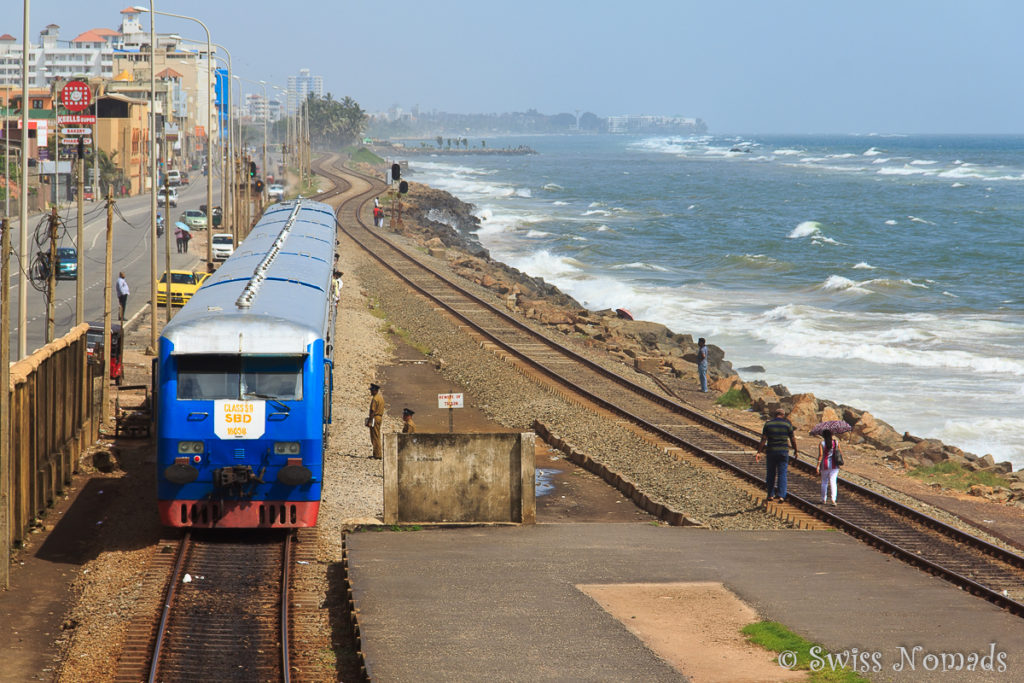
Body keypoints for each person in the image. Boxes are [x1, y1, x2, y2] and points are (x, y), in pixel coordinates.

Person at [755, 408, 798, 503]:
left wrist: (759, 452)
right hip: (783, 452)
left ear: (775, 415)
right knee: (782, 473)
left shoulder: (768, 424)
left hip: (771, 452)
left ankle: (770, 495)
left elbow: (763, 439)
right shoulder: (787, 424)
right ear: (783, 415)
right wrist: (795, 450)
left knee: (771, 474)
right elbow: (793, 439)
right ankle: (781, 495)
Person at [816, 429, 842, 506]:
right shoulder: (836, 442)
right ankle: (833, 500)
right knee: (833, 482)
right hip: (835, 465)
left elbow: (820, 455)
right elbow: (840, 452)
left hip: (825, 465)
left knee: (824, 482)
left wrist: (818, 466)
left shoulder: (822, 443)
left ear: (823, 436)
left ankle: (823, 499)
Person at [366, 383, 385, 459]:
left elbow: (372, 411)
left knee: (375, 436)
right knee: (377, 435)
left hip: (375, 418)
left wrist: (369, 421)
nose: (371, 392)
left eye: (372, 390)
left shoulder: (375, 399)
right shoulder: (380, 398)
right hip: (379, 418)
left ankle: (377, 455)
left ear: (375, 390)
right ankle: (376, 453)